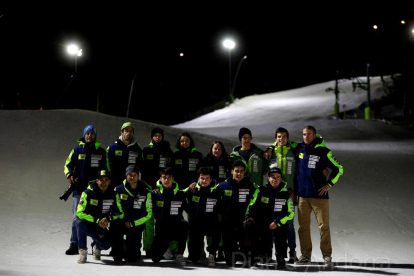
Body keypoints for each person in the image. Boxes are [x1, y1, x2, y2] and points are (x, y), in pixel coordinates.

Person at [295, 125, 343, 267]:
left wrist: (329, 184)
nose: (306, 137)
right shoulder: (299, 149)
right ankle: (305, 255)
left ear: (314, 135)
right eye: (304, 134)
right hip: (303, 196)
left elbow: (339, 168)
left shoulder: (323, 152)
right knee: (303, 227)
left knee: (323, 227)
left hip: (319, 197)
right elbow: (281, 142)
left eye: (309, 134)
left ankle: (327, 256)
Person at [63, 125, 110, 255]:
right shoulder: (77, 150)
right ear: (84, 135)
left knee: (97, 217)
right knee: (76, 218)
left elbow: (107, 170)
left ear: (95, 136)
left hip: (97, 191)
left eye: (92, 134)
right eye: (87, 133)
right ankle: (74, 244)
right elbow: (67, 165)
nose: (89, 136)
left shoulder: (101, 152)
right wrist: (69, 175)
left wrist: (104, 184)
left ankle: (97, 243)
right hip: (79, 190)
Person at [244, 168, 294, 270]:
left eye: (278, 177)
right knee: (249, 225)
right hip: (262, 221)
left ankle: (280, 257)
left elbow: (290, 213)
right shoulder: (261, 190)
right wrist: (248, 216)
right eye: (273, 177)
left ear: (281, 179)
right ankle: (254, 256)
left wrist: (277, 222)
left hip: (277, 221)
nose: (275, 180)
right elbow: (251, 205)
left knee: (283, 230)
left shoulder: (286, 193)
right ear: (268, 178)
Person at [263, 127, 299, 263]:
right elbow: (263, 171)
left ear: (288, 138)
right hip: (272, 196)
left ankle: (292, 253)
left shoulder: (293, 151)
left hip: (288, 195)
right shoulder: (271, 153)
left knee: (289, 224)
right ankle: (268, 253)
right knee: (271, 223)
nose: (281, 139)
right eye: (278, 137)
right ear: (275, 139)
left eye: (284, 136)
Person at [75, 170, 124, 264]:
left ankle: (97, 246)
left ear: (110, 181)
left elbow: (120, 213)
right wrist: (96, 220)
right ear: (97, 181)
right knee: (79, 222)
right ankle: (82, 251)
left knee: (106, 244)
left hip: (101, 225)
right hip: (88, 224)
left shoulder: (114, 195)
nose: (104, 182)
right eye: (101, 179)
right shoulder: (87, 193)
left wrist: (108, 219)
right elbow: (79, 212)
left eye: (106, 180)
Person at [218, 160, 259, 267]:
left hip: (244, 221)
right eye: (237, 171)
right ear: (232, 171)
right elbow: (208, 190)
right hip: (228, 222)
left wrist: (250, 216)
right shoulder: (222, 186)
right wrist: (194, 185)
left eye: (241, 171)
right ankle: (235, 254)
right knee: (230, 262)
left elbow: (260, 197)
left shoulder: (251, 186)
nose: (239, 174)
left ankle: (249, 254)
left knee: (250, 227)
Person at [141, 127, 173, 257]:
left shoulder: (167, 151)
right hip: (149, 190)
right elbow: (142, 170)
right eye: (155, 135)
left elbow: (171, 170)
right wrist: (147, 188)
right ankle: (148, 248)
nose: (158, 138)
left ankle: (166, 248)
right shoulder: (146, 150)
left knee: (164, 220)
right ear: (152, 137)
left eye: (160, 135)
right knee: (148, 219)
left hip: (164, 191)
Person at [112, 165, 152, 263]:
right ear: (126, 176)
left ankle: (126, 246)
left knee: (133, 258)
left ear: (138, 176)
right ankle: (117, 251)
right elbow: (113, 208)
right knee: (115, 226)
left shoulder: (145, 191)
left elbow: (149, 213)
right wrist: (122, 220)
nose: (133, 177)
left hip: (135, 224)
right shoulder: (118, 190)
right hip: (121, 222)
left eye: (135, 175)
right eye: (130, 175)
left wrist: (133, 223)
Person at [151, 167, 189, 266]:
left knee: (184, 224)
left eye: (169, 177)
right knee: (155, 258)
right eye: (164, 177)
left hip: (176, 225)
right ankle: (166, 246)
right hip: (162, 227)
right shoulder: (155, 194)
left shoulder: (180, 194)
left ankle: (179, 254)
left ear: (173, 178)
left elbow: (188, 209)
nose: (166, 180)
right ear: (160, 179)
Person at [184, 167, 221, 267]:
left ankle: (212, 254)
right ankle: (198, 252)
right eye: (202, 178)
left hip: (211, 223)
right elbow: (178, 194)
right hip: (196, 224)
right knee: (194, 258)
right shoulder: (192, 189)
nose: (204, 181)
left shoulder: (217, 191)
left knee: (218, 227)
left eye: (207, 178)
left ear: (211, 179)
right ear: (198, 179)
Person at [201, 141, 231, 261]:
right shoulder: (206, 161)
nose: (217, 151)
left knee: (221, 223)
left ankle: (221, 250)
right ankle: (211, 250)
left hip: (223, 195)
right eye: (215, 149)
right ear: (211, 149)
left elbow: (230, 177)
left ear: (222, 150)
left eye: (219, 149)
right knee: (210, 222)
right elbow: (201, 176)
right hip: (210, 195)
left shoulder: (227, 161)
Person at [106, 122, 144, 188]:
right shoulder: (112, 147)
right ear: (121, 132)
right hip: (115, 183)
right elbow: (106, 164)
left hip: (131, 184)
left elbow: (141, 166)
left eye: (131, 131)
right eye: (126, 130)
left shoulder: (137, 149)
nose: (129, 133)